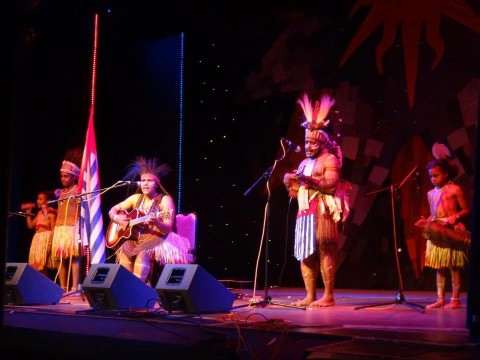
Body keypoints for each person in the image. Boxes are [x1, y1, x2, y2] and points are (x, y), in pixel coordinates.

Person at [283, 93, 349, 307]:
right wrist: (289, 181)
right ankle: (310, 295)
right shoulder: (303, 162)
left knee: (324, 250)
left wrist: (308, 179)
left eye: (312, 142)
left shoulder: (329, 159)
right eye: (306, 142)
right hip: (304, 211)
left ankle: (328, 296)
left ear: (321, 142)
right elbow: (295, 192)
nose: (309, 146)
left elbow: (330, 184)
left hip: (321, 210)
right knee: (305, 253)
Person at [108, 156, 190, 283]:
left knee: (143, 251)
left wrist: (156, 222)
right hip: (139, 237)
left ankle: (138, 289)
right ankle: (127, 287)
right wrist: (118, 218)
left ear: (157, 183)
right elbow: (112, 210)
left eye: (149, 181)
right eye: (143, 180)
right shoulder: (135, 198)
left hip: (159, 236)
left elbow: (168, 228)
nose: (145, 183)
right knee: (125, 250)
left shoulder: (165, 200)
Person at [415, 143, 470, 309]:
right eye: (431, 176)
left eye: (436, 175)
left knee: (453, 265)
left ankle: (455, 299)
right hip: (437, 231)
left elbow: (466, 209)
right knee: (439, 266)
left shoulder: (455, 189)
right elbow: (434, 212)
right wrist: (428, 221)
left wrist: (455, 216)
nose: (433, 179)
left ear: (445, 174)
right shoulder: (430, 193)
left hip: (451, 230)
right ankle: (440, 298)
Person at [51, 148, 85, 292]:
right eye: (62, 176)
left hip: (72, 227)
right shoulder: (61, 192)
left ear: (74, 177)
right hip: (60, 228)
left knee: (73, 257)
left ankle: (74, 287)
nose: (63, 179)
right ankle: (62, 287)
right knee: (60, 258)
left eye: (66, 176)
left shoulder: (78, 190)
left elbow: (82, 209)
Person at [21, 190, 58, 276]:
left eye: (40, 199)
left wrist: (50, 243)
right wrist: (28, 214)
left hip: (45, 240)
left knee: (42, 265)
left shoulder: (51, 214)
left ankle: (46, 285)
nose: (37, 201)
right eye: (37, 199)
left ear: (47, 201)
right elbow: (30, 226)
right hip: (37, 240)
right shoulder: (39, 213)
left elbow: (53, 230)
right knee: (36, 266)